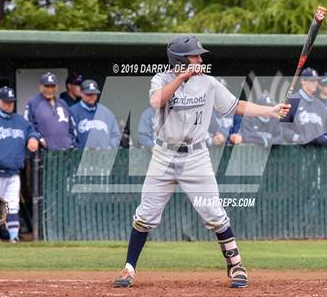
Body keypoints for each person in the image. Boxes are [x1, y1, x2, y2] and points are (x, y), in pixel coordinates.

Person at [113, 35, 290, 289]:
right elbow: (155, 101)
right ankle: (129, 268)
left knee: (214, 213)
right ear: (180, 60)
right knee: (145, 215)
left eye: (198, 56)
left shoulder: (209, 83)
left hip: (196, 156)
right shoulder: (161, 79)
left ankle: (236, 265)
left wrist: (270, 110)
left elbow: (235, 106)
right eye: (194, 56)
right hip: (164, 155)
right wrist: (182, 77)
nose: (199, 60)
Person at [0, 86, 39, 242]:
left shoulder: (20, 120)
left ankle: (14, 238)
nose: (9, 104)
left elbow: (32, 131)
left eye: (12, 102)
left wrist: (33, 137)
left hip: (13, 172)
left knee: (13, 205)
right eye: (6, 102)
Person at [24, 72, 76, 150]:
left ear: (57, 88)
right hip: (44, 152)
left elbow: (72, 126)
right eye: (47, 86)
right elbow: (27, 125)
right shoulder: (33, 102)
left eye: (52, 86)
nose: (50, 89)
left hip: (65, 152)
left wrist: (69, 142)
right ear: (41, 87)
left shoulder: (63, 103)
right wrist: (39, 138)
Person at [282, 67, 327, 145]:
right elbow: (282, 128)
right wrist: (298, 138)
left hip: (317, 153)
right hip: (297, 151)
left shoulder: (320, 104)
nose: (315, 83)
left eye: (316, 81)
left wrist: (324, 137)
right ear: (303, 81)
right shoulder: (293, 101)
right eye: (311, 81)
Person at [70, 79, 121, 149]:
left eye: (94, 94)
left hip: (103, 157)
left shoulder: (106, 112)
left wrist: (108, 149)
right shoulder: (72, 111)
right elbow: (68, 137)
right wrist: (80, 150)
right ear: (81, 93)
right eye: (88, 94)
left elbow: (116, 135)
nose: (92, 97)